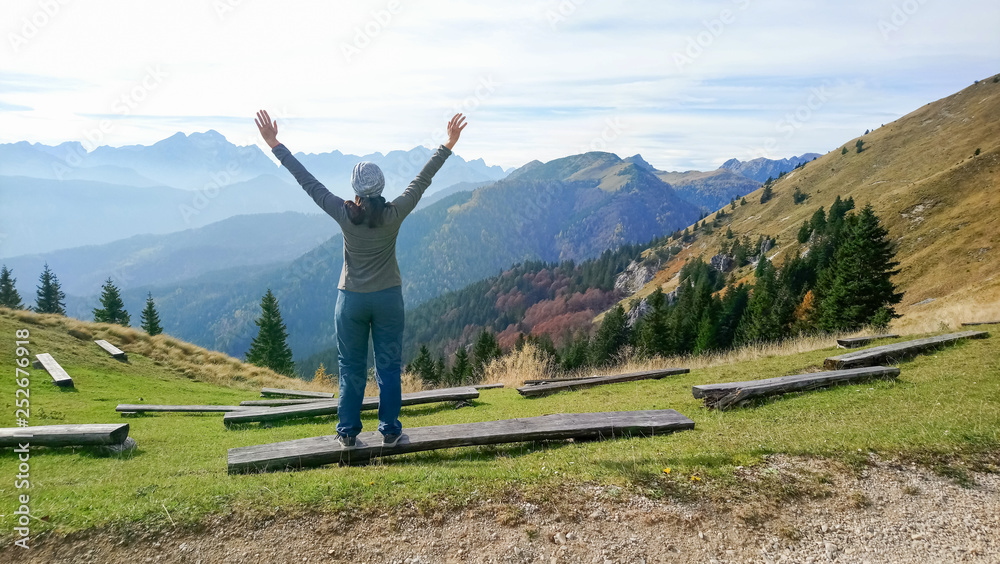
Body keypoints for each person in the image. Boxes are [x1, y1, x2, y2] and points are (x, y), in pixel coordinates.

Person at [254, 109, 467, 449]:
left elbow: (308, 182)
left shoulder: (344, 214)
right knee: (389, 367)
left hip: (351, 299)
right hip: (388, 299)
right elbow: (422, 179)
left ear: (355, 189)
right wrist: (448, 144)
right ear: (381, 187)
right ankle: (390, 431)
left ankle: (348, 433)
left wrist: (275, 144)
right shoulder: (395, 213)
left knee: (350, 368)